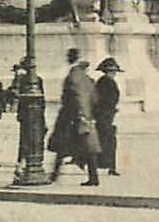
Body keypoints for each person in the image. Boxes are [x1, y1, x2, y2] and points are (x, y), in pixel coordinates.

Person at [48, 48, 100, 185]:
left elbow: (78, 97)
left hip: (72, 117)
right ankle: (93, 177)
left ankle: (54, 176)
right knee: (89, 148)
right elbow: (94, 97)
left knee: (62, 146)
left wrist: (81, 115)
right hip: (84, 115)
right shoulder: (85, 76)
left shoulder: (73, 76)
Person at [93, 57, 123, 176]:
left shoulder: (104, 82)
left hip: (106, 115)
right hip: (104, 116)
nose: (113, 73)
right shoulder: (105, 82)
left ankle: (109, 166)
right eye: (112, 71)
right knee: (108, 141)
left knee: (106, 141)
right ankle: (109, 166)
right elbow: (104, 100)